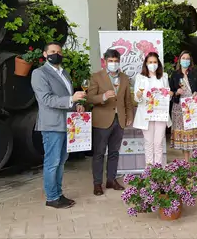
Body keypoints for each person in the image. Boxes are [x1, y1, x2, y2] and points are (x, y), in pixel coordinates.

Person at [31, 41, 86, 208]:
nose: (57, 54)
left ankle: (58, 194)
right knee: (52, 161)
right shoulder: (39, 73)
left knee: (61, 161)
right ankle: (52, 197)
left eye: (59, 51)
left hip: (67, 124)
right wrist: (71, 99)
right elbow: (46, 99)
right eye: (53, 51)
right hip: (52, 125)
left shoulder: (64, 73)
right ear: (45, 54)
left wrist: (77, 105)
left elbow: (69, 97)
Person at [86, 49, 134, 196]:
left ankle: (111, 180)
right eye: (110, 61)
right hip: (101, 120)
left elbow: (127, 100)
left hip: (119, 119)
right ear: (105, 62)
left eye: (116, 61)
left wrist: (129, 115)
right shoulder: (96, 77)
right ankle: (97, 183)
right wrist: (104, 96)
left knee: (114, 152)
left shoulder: (125, 78)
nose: (113, 63)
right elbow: (89, 98)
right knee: (99, 153)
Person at [133, 52, 173, 165]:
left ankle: (159, 170)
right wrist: (139, 96)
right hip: (146, 115)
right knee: (149, 142)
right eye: (150, 62)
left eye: (155, 62)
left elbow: (167, 97)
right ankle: (150, 171)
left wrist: (169, 94)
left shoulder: (164, 76)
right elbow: (136, 98)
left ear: (158, 63)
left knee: (158, 142)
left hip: (160, 114)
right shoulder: (140, 77)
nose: (152, 64)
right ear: (146, 63)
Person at [170, 51, 197, 160]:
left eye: (187, 58)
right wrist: (177, 92)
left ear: (190, 61)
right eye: (183, 58)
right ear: (179, 60)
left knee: (195, 134)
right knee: (185, 137)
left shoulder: (195, 73)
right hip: (179, 109)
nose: (185, 60)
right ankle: (186, 162)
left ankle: (196, 162)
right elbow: (170, 91)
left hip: (193, 107)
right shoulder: (175, 75)